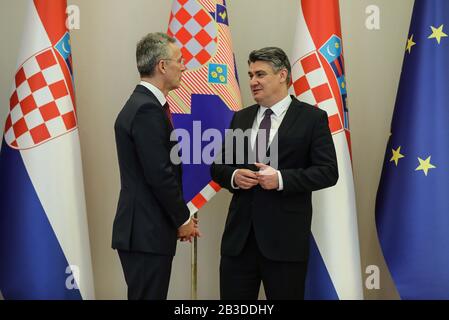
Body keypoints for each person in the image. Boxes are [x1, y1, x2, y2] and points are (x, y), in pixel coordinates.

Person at [210, 47, 338, 300]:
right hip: (239, 243)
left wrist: (280, 179)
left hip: (285, 244)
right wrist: (234, 177)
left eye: (260, 74)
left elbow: (327, 172)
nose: (253, 82)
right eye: (250, 75)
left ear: (282, 75)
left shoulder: (312, 118)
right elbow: (219, 167)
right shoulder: (241, 118)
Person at [112, 32, 200, 300]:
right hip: (145, 232)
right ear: (162, 66)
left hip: (146, 230)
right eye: (179, 60)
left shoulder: (143, 104)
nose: (184, 66)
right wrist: (182, 218)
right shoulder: (147, 109)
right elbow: (159, 175)